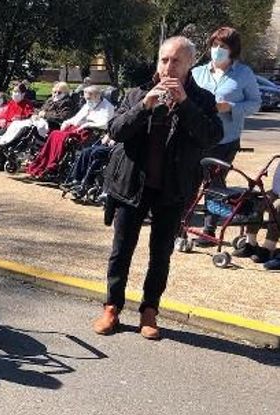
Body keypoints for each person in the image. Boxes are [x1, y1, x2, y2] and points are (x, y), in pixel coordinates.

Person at [93, 36, 222, 340]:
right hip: (131, 185)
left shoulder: (202, 100)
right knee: (121, 250)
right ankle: (112, 307)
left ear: (190, 65)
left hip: (172, 188)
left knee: (160, 253)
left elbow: (211, 137)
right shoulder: (137, 92)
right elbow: (115, 130)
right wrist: (143, 106)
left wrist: (186, 105)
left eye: (176, 61)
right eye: (164, 60)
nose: (168, 67)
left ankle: (149, 310)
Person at [191, 26, 262, 247]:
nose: (217, 50)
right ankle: (180, 222)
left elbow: (255, 104)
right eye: (214, 45)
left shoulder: (244, 74)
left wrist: (230, 107)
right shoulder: (198, 72)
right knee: (189, 179)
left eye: (223, 46)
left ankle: (209, 228)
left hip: (225, 139)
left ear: (233, 50)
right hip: (195, 137)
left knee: (214, 182)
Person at [25, 85, 114, 178]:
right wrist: (67, 122)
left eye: (89, 98)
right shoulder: (89, 103)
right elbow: (77, 117)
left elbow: (105, 124)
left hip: (91, 131)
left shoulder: (107, 107)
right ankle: (45, 163)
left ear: (97, 96)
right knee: (54, 134)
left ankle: (53, 166)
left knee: (62, 136)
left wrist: (87, 124)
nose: (87, 101)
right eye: (86, 98)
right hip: (78, 127)